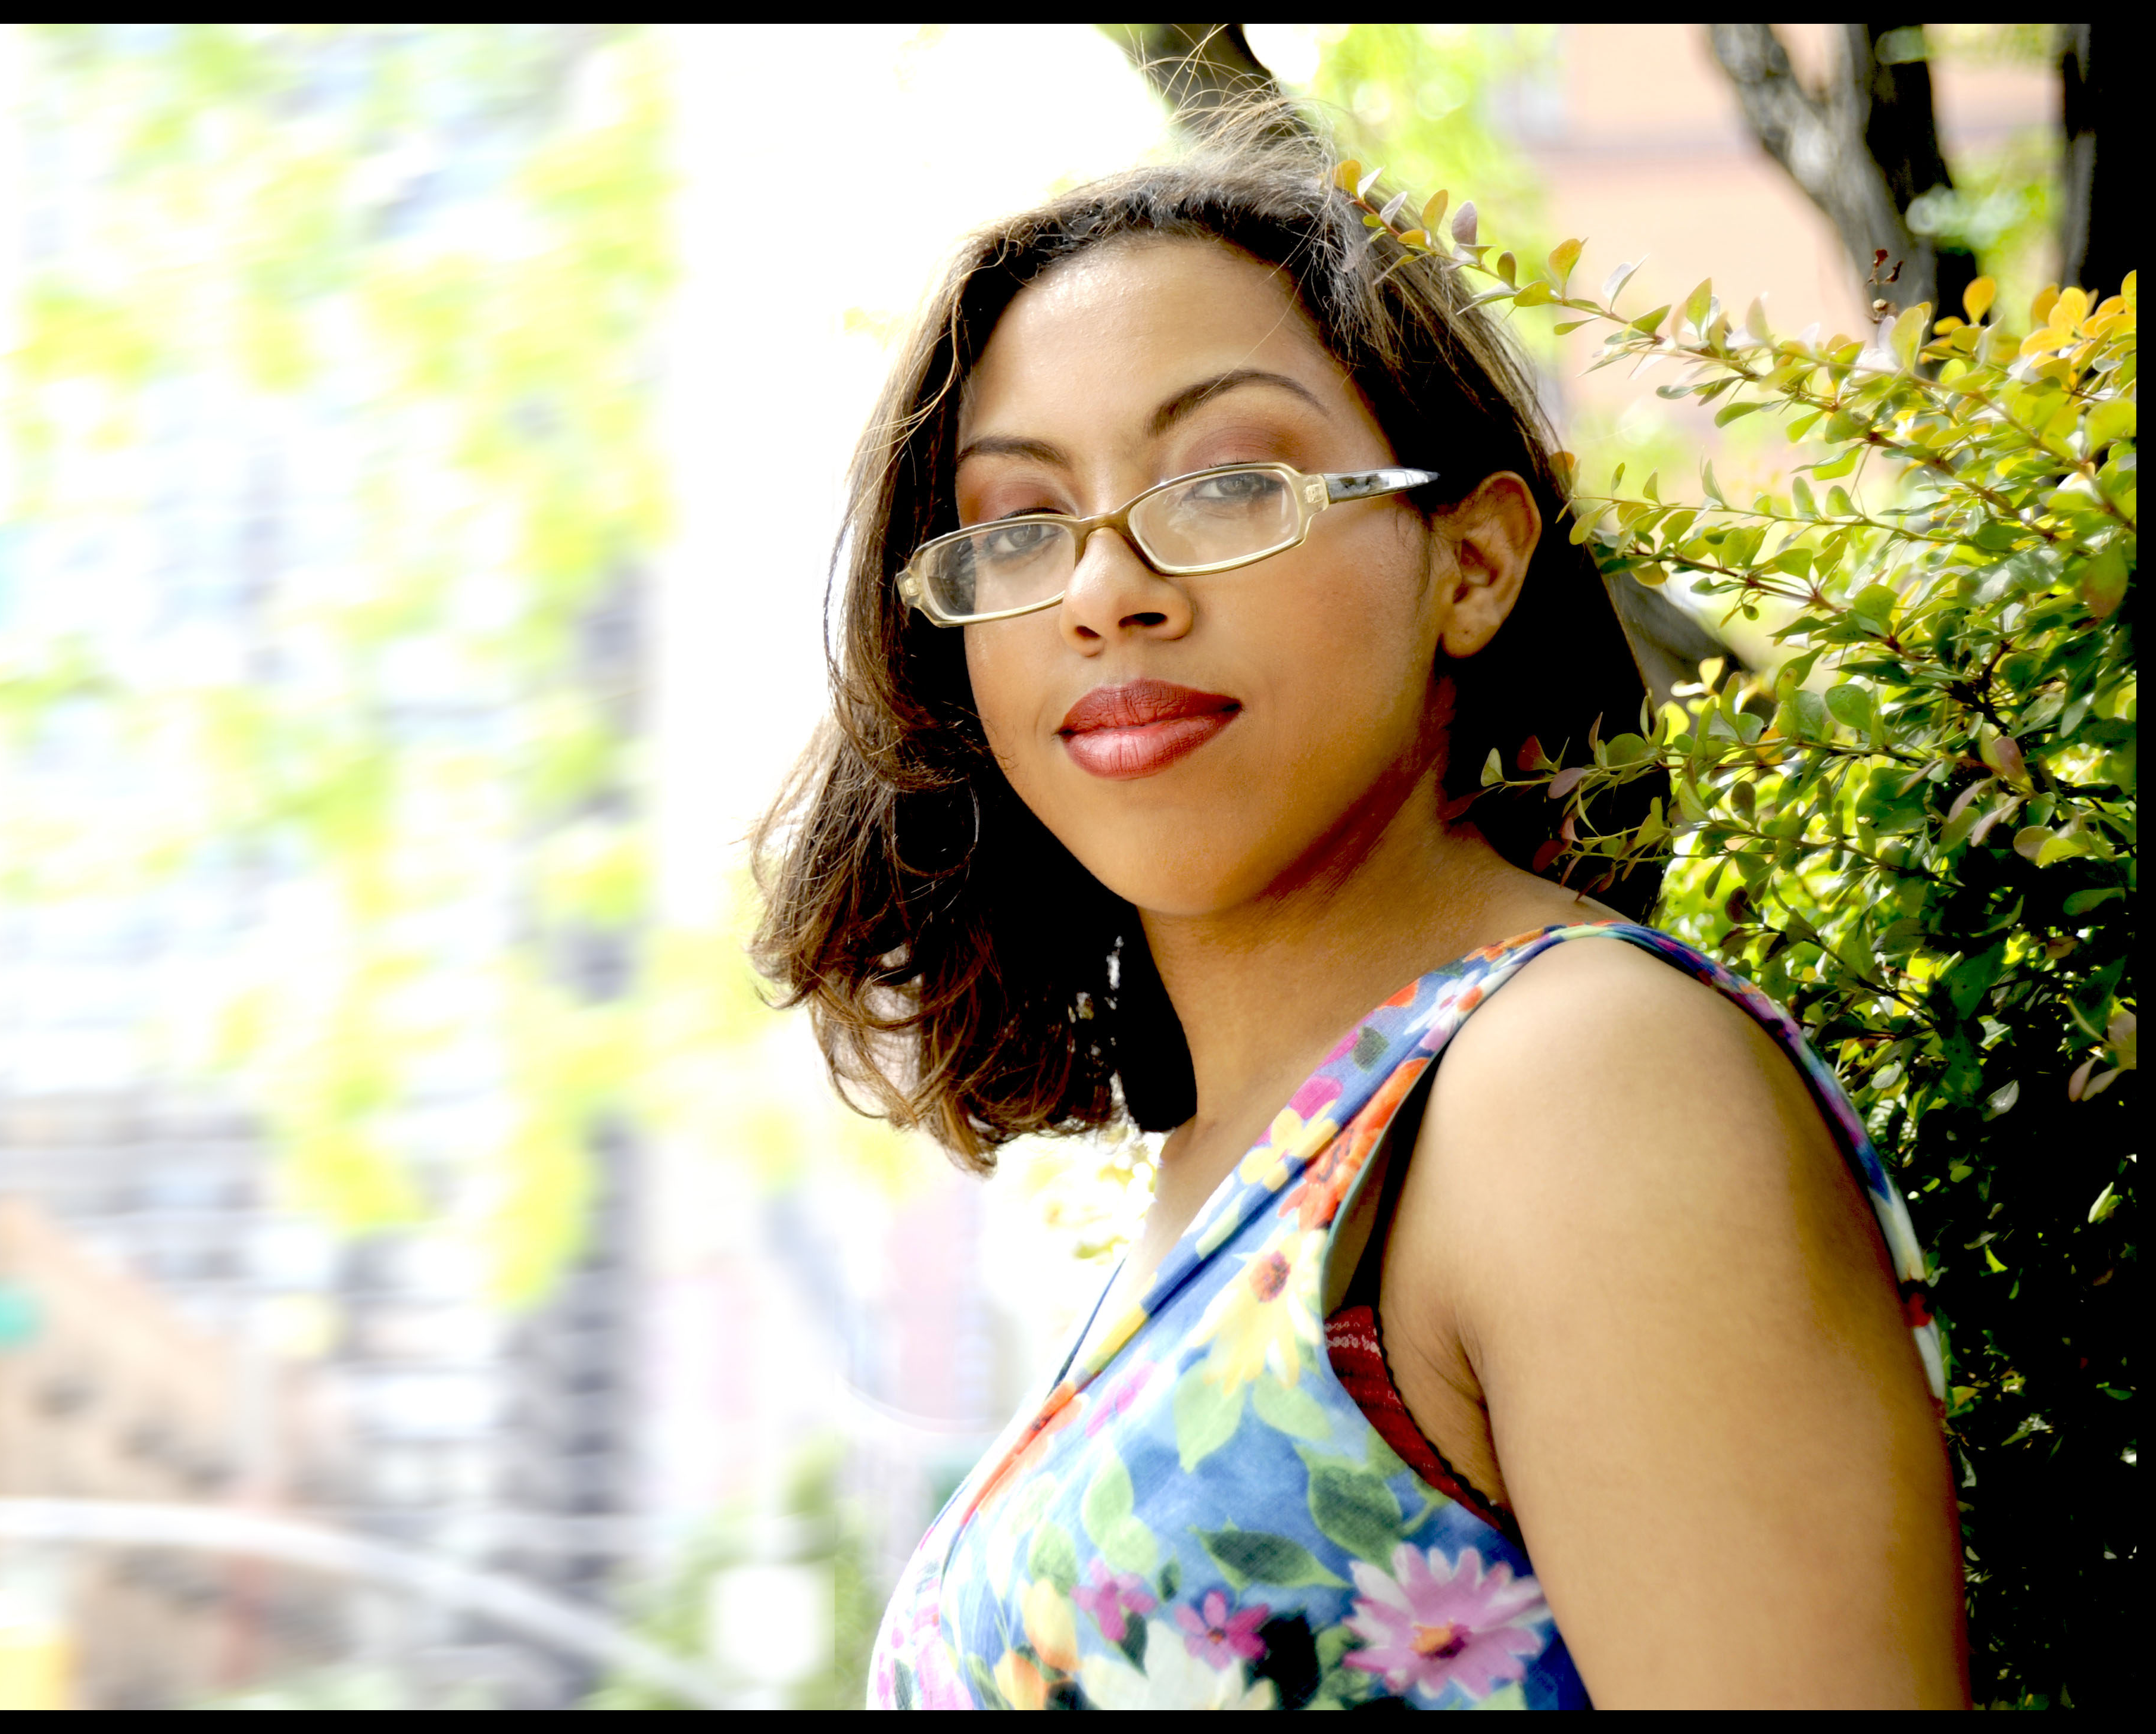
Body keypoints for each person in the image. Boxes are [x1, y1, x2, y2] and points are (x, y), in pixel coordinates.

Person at [750, 138, 1966, 1710]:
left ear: (1472, 563)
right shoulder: (1236, 1177)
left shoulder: (1582, 1080)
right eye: (1021, 524)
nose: (1103, 591)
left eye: (1226, 488)